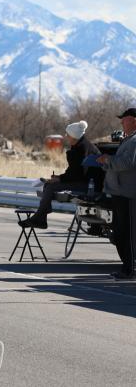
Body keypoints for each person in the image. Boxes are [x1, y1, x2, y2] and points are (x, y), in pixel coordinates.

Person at [20, 120, 101, 229]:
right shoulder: (80, 145)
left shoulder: (82, 148)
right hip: (84, 181)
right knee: (48, 185)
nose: (66, 136)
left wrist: (60, 179)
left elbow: (78, 174)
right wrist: (59, 177)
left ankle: (40, 217)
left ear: (74, 136)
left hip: (89, 185)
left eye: (68, 134)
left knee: (50, 187)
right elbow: (74, 171)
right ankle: (41, 217)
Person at [98, 108, 136, 280]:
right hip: (118, 192)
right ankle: (126, 267)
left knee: (126, 233)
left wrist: (109, 160)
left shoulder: (134, 141)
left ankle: (129, 269)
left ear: (134, 121)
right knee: (119, 233)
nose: (121, 122)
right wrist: (105, 162)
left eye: (125, 119)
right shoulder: (127, 139)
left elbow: (128, 163)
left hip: (128, 193)